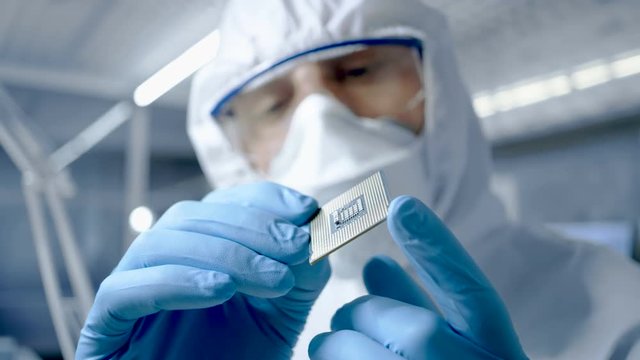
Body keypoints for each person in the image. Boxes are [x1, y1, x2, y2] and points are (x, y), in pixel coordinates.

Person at [76, 0, 640, 359]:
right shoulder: (220, 329)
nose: (322, 122)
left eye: (359, 71)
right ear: (234, 153)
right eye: (273, 107)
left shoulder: (619, 303)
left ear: (438, 86)